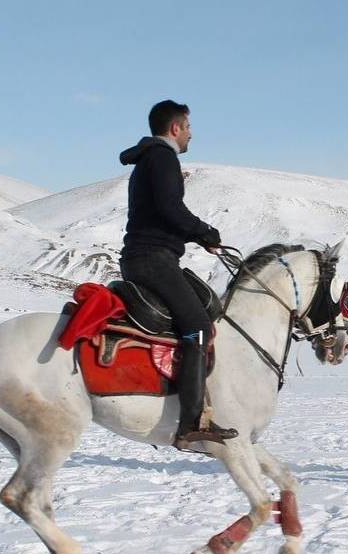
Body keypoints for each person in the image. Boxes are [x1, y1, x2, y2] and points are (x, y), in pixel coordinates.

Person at [118, 99, 236, 446]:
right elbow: (171, 208)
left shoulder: (151, 159)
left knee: (199, 308)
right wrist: (204, 232)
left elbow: (163, 211)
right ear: (175, 128)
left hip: (151, 256)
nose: (190, 135)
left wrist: (196, 236)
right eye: (188, 127)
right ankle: (190, 422)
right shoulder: (162, 157)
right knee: (198, 326)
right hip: (152, 259)